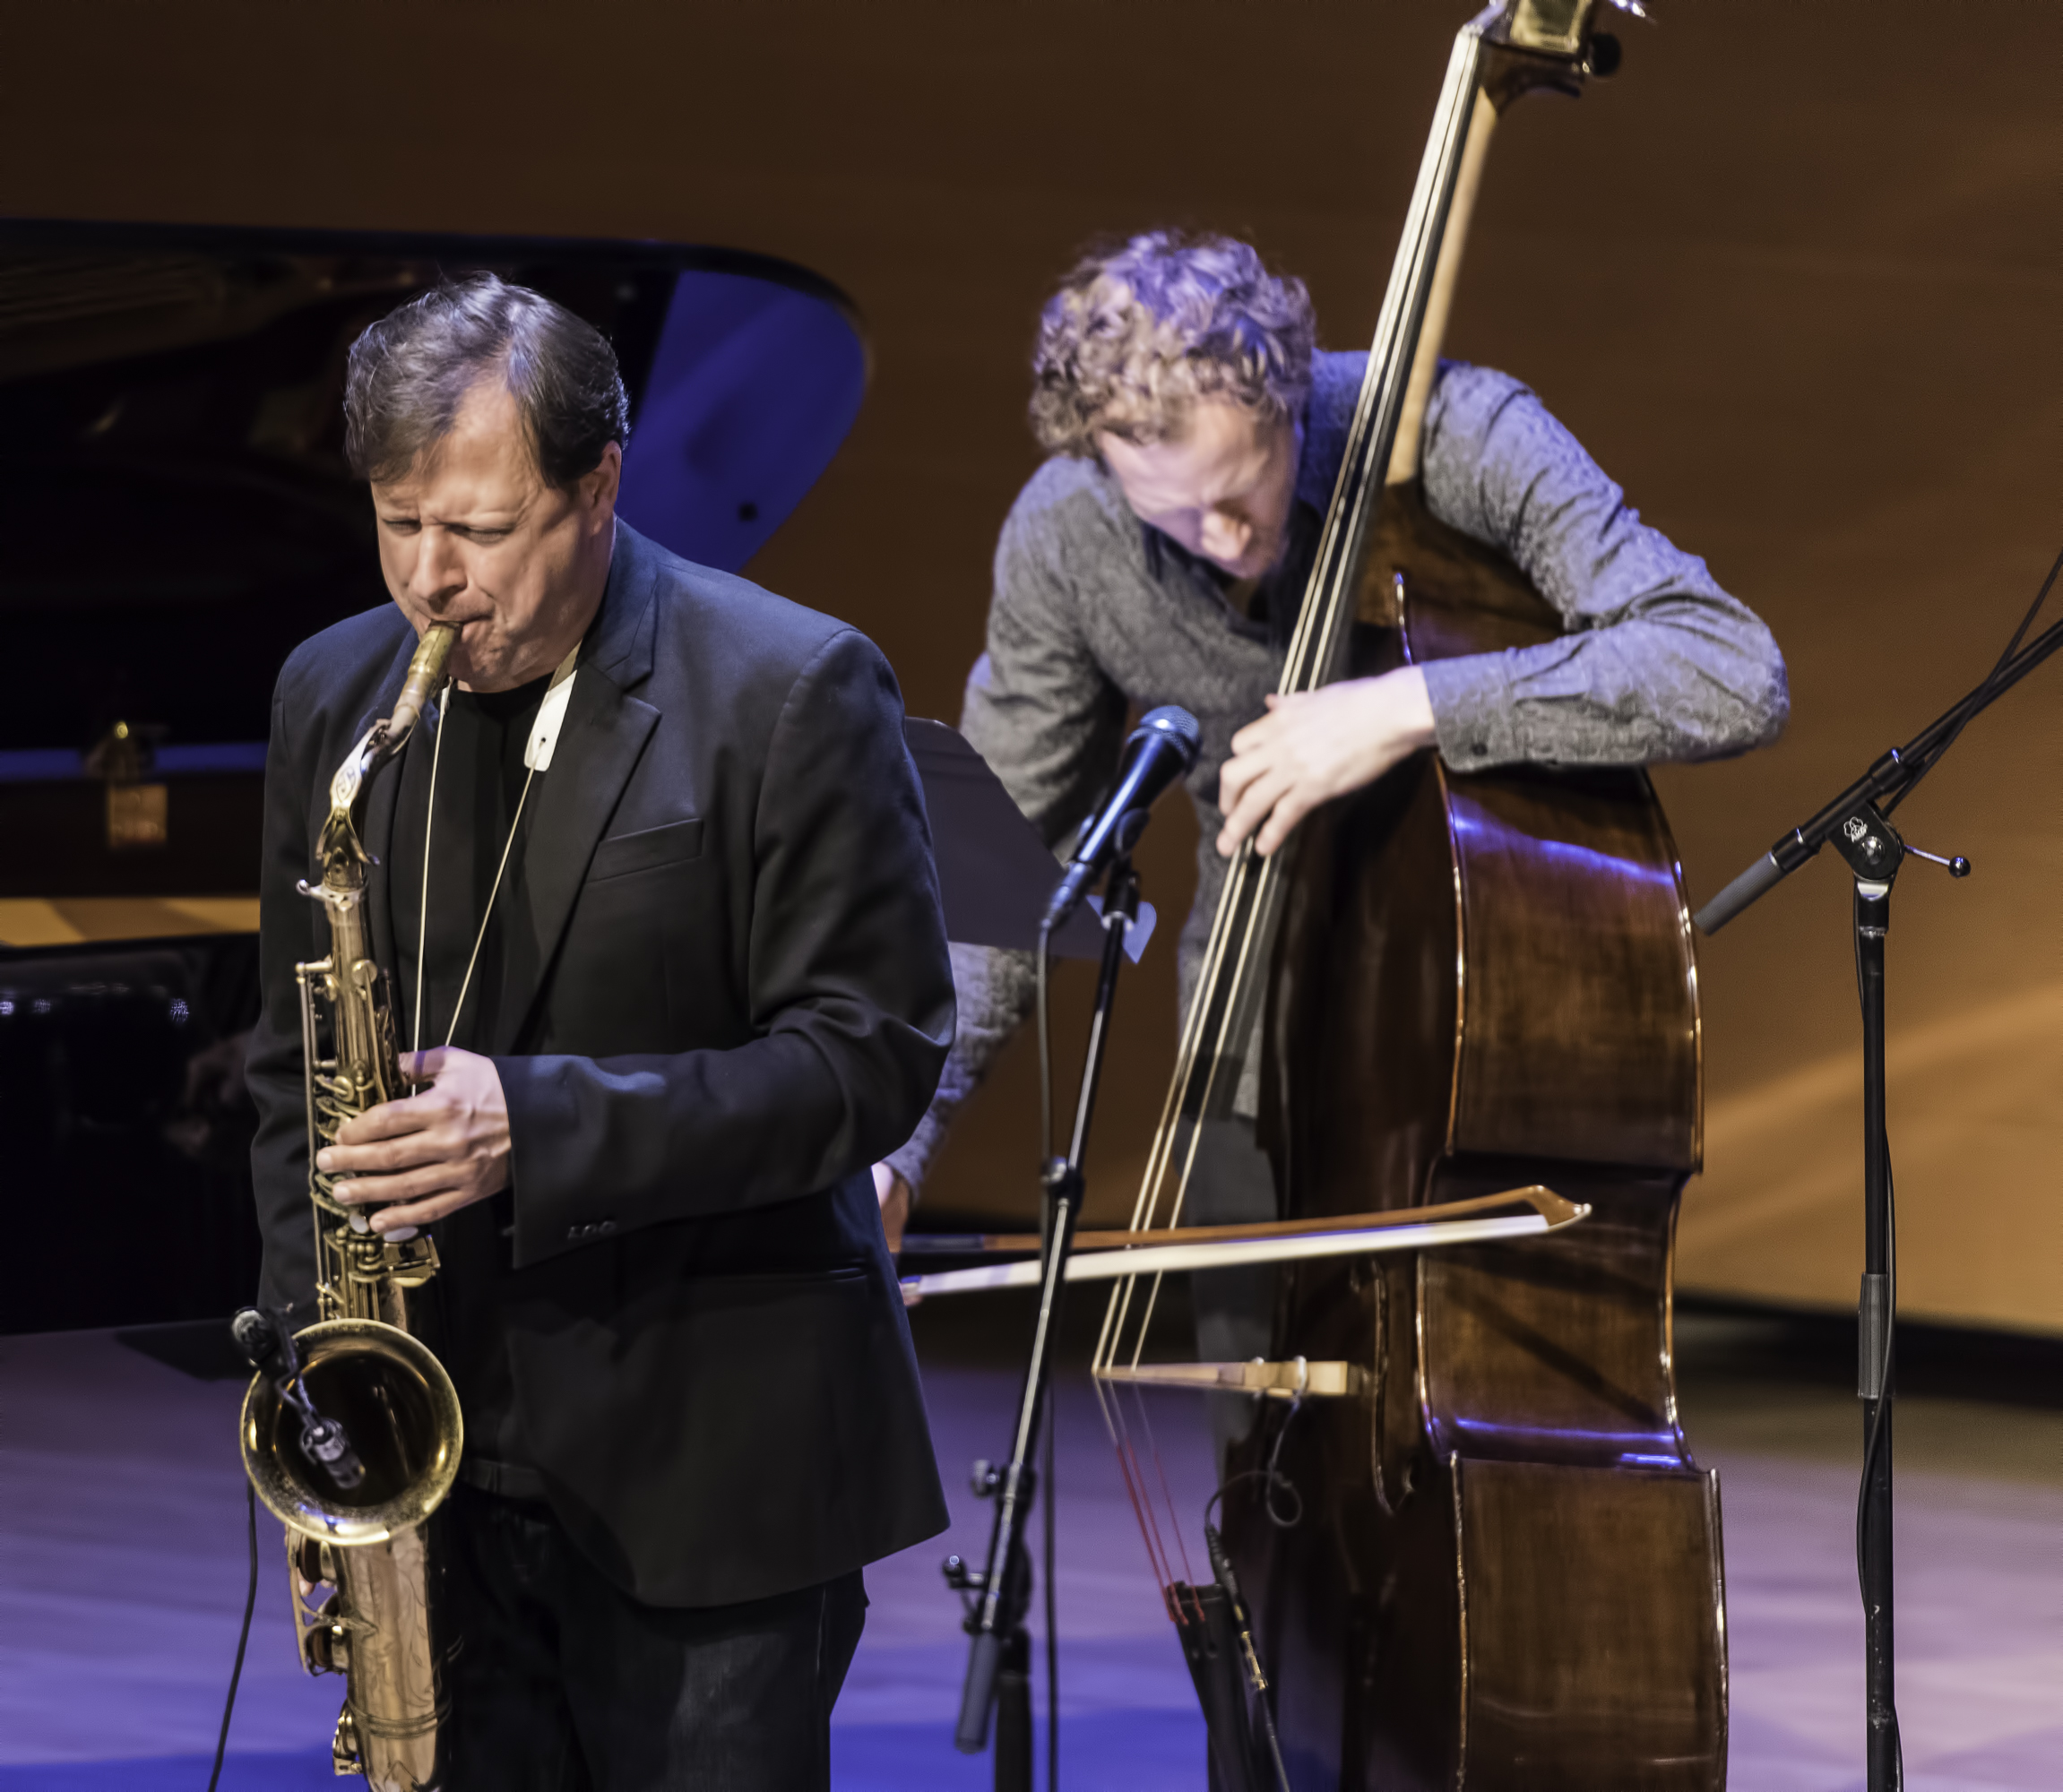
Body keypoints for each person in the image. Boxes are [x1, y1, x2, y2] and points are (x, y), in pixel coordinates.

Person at [872, 232, 1788, 1455]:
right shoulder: (1069, 534)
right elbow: (1003, 877)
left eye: (1243, 488)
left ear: (1286, 391)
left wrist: (1409, 708)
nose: (1223, 536)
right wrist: (899, 1138)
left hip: (1479, 1043)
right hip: (1249, 1037)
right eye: (1175, 510)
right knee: (1271, 1481)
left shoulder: (1449, 430)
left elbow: (1727, 666)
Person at [245, 273, 954, 1789]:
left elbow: (868, 1057)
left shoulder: (790, 687)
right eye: (397, 523)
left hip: (710, 1463)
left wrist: (537, 1126)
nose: (432, 582)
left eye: (483, 532)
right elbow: (281, 1077)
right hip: (434, 1452)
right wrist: (329, 1384)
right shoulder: (333, 696)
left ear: (600, 489)